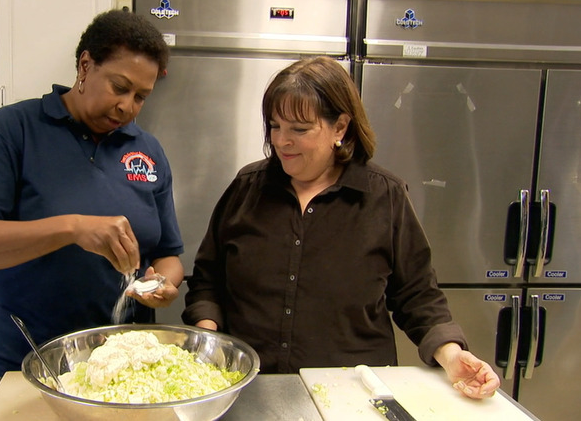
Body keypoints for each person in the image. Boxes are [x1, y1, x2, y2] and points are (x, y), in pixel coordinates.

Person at [182, 56, 500, 399]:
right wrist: (210, 340)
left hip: (352, 396)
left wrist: (453, 355)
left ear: (340, 127)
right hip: (250, 389)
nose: (281, 141)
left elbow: (417, 295)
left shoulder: (385, 196)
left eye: (299, 129)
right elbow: (208, 280)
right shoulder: (247, 188)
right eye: (275, 126)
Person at [0, 9, 184, 376]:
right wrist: (73, 228)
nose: (127, 106)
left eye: (141, 96)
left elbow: (168, 254)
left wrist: (164, 282)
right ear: (85, 66)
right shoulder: (14, 131)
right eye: (119, 87)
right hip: (31, 361)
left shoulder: (148, 151)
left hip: (125, 364)